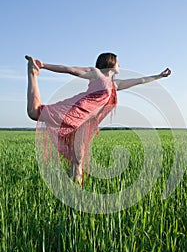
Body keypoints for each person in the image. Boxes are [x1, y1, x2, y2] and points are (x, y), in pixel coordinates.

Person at [25, 53, 171, 184]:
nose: (120, 65)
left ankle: (76, 188)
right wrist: (43, 65)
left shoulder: (115, 84)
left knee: (78, 158)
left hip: (85, 123)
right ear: (110, 61)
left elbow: (141, 80)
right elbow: (69, 69)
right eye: (118, 61)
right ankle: (32, 73)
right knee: (34, 112)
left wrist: (159, 76)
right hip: (75, 111)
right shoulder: (96, 74)